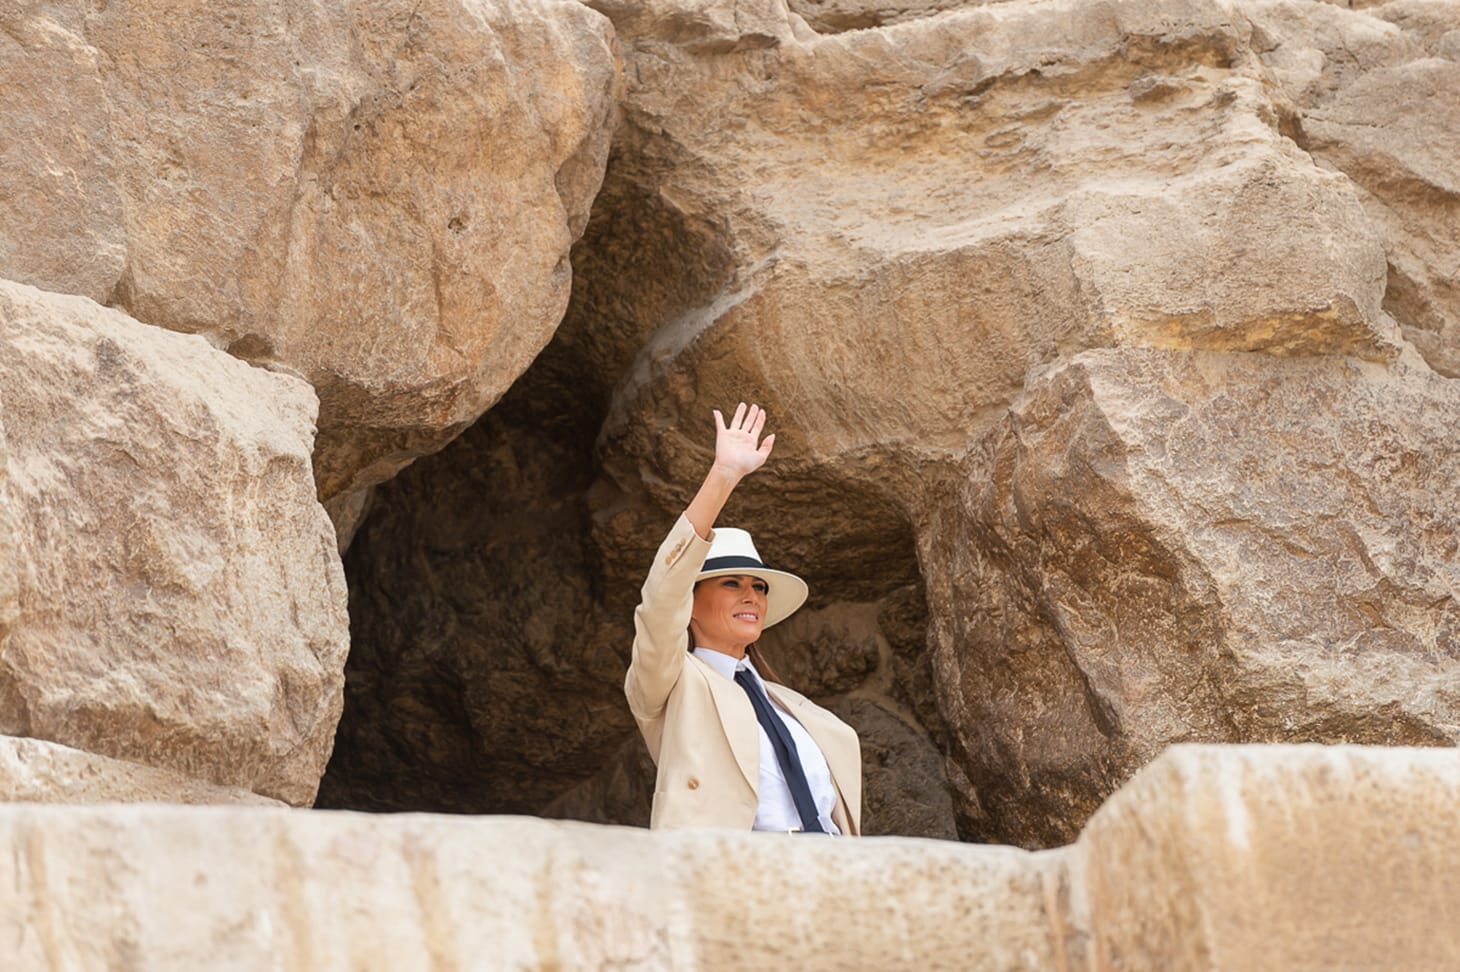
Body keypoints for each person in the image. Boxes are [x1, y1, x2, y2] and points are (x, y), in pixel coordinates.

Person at [624, 402, 862, 834]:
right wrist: (724, 475)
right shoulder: (672, 684)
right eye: (732, 583)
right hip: (738, 883)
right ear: (690, 604)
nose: (751, 594)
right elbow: (661, 599)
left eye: (759, 586)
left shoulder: (790, 707)